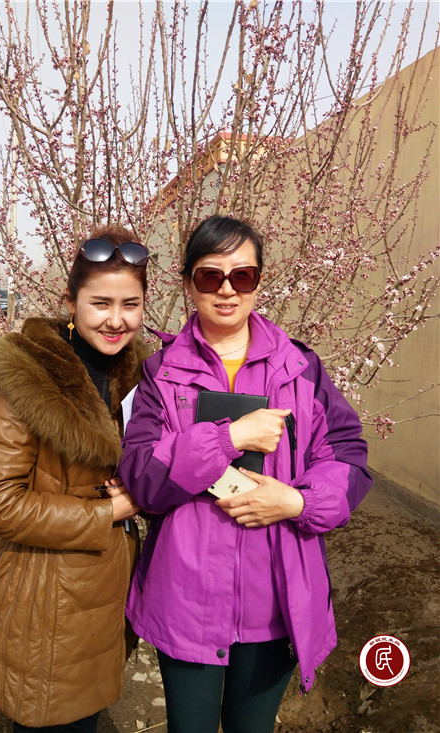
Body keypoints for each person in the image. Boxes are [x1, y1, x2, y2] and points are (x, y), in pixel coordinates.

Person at [118, 215, 372, 733]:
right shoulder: (161, 374)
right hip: (186, 598)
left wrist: (298, 502)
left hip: (275, 602)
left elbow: (347, 457)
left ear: (258, 281)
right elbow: (142, 476)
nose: (227, 290)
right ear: (189, 284)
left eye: (243, 275)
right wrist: (228, 437)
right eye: (210, 276)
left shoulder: (301, 369)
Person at [0, 226, 150, 732]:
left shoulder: (141, 378)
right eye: (100, 303)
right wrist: (110, 510)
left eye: (130, 304)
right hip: (49, 603)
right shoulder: (31, 380)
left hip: (106, 597)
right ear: (71, 303)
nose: (116, 320)